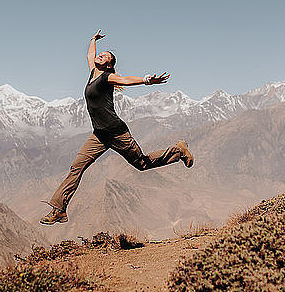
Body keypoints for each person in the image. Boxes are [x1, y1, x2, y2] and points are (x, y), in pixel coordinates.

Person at [40, 30, 194, 225]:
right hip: (99, 135)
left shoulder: (107, 78)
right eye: (100, 53)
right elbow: (89, 55)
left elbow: (126, 80)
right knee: (76, 168)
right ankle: (59, 209)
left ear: (108, 65)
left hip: (116, 132)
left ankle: (178, 151)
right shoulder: (93, 73)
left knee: (142, 164)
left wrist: (147, 80)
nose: (99, 55)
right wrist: (93, 40)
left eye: (104, 56)